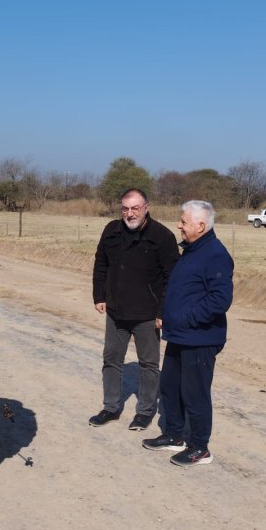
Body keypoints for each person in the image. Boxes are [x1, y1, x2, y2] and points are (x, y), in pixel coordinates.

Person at [142, 200, 233, 466]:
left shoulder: (215, 254)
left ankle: (200, 447)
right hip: (180, 336)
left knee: (195, 393)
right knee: (170, 387)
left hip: (200, 338)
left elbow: (220, 300)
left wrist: (187, 318)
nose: (179, 225)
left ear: (201, 225)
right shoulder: (193, 250)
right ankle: (174, 435)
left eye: (183, 221)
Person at [89, 188, 179, 430]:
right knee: (111, 360)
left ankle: (145, 411)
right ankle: (110, 407)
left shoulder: (162, 237)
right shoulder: (111, 231)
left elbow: (172, 278)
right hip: (116, 311)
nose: (130, 213)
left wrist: (163, 312)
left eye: (135, 208)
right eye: (125, 208)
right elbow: (101, 264)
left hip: (148, 315)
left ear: (146, 208)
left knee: (148, 364)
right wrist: (99, 295)